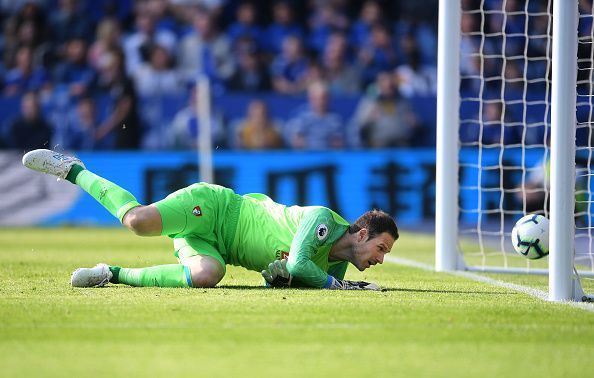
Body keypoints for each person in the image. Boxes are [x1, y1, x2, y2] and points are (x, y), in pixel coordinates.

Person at [22, 149, 398, 290]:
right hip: (217, 208)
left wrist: (276, 280)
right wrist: (332, 286)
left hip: (217, 247)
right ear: (361, 233)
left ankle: (111, 273)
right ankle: (73, 170)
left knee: (207, 275)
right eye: (380, 248)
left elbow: (292, 276)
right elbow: (301, 262)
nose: (380, 259)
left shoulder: (337, 269)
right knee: (137, 221)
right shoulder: (322, 219)